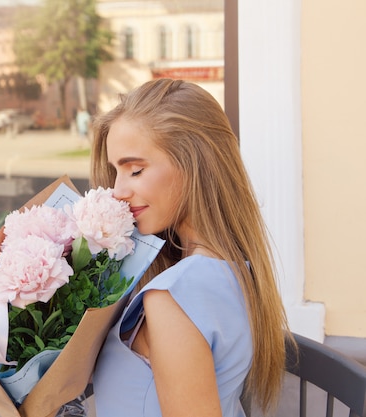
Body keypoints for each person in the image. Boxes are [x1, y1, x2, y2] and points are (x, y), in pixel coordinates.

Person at [90, 79, 292, 417]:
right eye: (115, 172)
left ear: (194, 162)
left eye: (135, 170)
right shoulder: (235, 267)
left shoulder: (172, 296)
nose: (117, 191)